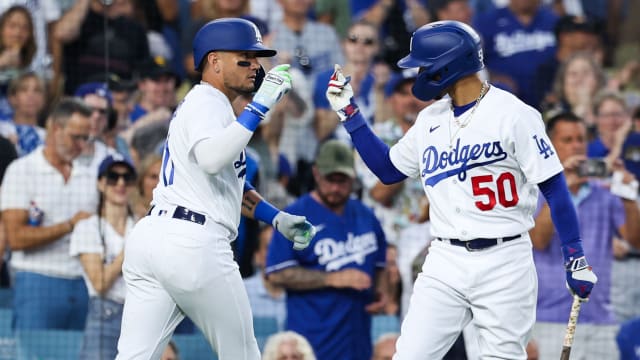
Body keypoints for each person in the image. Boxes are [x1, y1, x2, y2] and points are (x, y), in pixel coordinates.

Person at [324, 20, 598, 359]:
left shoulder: (513, 114)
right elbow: (387, 170)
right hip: (445, 259)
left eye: (423, 65)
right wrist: (349, 113)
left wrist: (575, 256)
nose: (419, 73)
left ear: (445, 66)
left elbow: (556, 189)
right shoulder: (430, 120)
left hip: (505, 259)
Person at [115, 18, 315, 359]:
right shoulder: (207, 101)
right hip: (194, 244)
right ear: (214, 61)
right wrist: (259, 107)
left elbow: (230, 183)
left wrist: (276, 218)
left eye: (257, 59)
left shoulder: (214, 108)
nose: (255, 66)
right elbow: (210, 159)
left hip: (155, 238)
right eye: (245, 58)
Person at [530, 112, 640, 359]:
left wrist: (629, 197)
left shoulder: (605, 192)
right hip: (549, 321)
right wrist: (561, 186)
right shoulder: (533, 190)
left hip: (599, 321)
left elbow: (636, 241)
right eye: (567, 140)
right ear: (551, 145)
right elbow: (538, 239)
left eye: (580, 139)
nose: (576, 145)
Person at [266, 139, 388, 360]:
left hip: (357, 341)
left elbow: (380, 266)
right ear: (316, 174)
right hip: (312, 344)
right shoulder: (296, 216)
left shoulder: (366, 216)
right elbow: (277, 272)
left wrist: (381, 293)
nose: (335, 188)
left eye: (343, 181)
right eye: (330, 180)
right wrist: (332, 278)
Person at [0, 98, 95, 330]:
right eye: (76, 137)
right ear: (55, 129)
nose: (82, 145)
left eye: (86, 138)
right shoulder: (22, 170)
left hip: (83, 283)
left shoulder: (90, 177)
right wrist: (69, 225)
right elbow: (16, 238)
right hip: (37, 278)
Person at [70, 154, 137, 360]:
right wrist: (130, 249)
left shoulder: (143, 225)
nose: (120, 183)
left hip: (140, 315)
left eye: (127, 178)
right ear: (100, 183)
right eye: (112, 177)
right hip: (105, 315)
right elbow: (100, 283)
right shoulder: (87, 227)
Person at [244, 225, 286, 330]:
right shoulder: (240, 293)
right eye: (270, 248)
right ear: (257, 257)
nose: (278, 254)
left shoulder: (304, 295)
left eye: (283, 248)